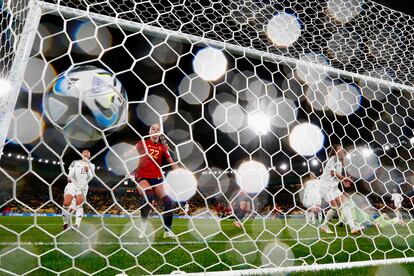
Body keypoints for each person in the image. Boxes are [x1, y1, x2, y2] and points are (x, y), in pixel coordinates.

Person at [135, 123, 179, 239]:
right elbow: (132, 157)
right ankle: (143, 227)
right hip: (142, 176)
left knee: (168, 201)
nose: (155, 131)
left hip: (157, 177)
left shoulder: (162, 147)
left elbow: (172, 162)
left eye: (157, 130)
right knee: (149, 196)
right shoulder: (142, 143)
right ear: (149, 132)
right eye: (153, 129)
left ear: (160, 133)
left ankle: (167, 231)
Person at [319, 144, 363, 234]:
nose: (342, 149)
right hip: (325, 186)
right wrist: (346, 179)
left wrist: (344, 182)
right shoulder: (333, 158)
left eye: (342, 148)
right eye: (339, 148)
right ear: (335, 151)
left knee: (345, 204)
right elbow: (333, 173)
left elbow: (338, 175)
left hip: (334, 187)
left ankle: (353, 227)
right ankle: (324, 226)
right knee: (334, 207)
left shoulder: (339, 161)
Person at [62, 150, 95, 230]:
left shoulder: (92, 165)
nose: (86, 152)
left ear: (89, 155)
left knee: (79, 204)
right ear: (81, 154)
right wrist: (69, 177)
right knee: (66, 203)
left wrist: (88, 171)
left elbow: (91, 177)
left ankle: (76, 225)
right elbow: (71, 172)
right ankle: (65, 223)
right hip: (72, 184)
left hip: (83, 186)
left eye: (88, 152)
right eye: (84, 152)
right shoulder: (75, 162)